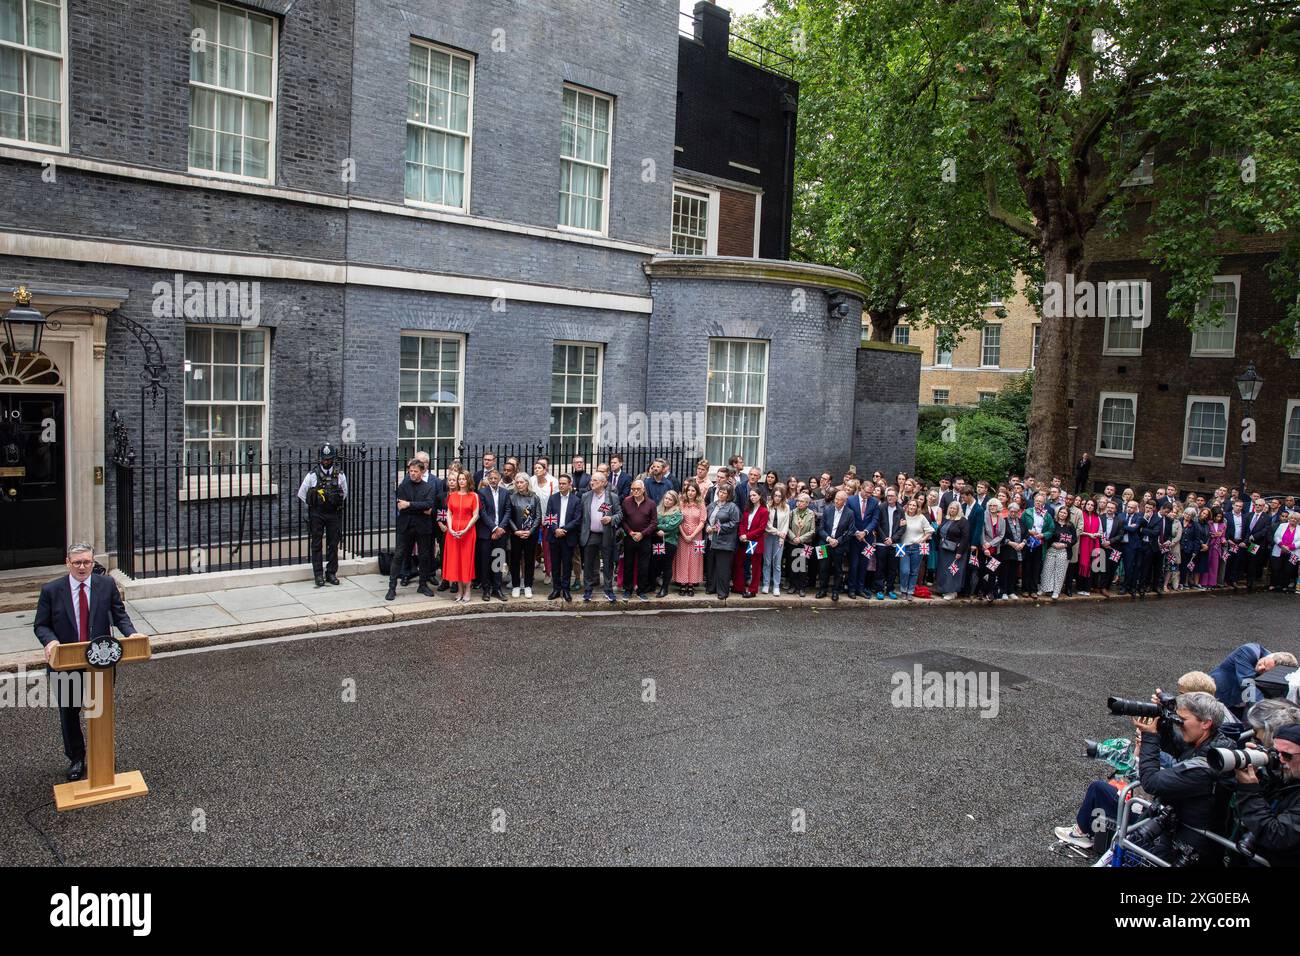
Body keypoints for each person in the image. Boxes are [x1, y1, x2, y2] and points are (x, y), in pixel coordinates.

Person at [33, 543, 145, 783]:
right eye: (77, 563)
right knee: (70, 712)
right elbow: (41, 625)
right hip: (66, 662)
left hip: (101, 661)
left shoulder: (106, 585)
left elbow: (119, 614)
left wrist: (131, 634)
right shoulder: (52, 590)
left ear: (93, 562)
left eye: (87, 562)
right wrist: (51, 642)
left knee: (100, 709)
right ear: (67, 563)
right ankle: (77, 758)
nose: (82, 567)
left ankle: (102, 757)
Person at [1132, 692, 1234, 866]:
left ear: (1205, 723)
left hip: (1190, 849)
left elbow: (1151, 782)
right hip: (1181, 834)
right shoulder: (1212, 744)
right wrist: (1164, 719)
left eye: (1182, 720)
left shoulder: (1207, 766)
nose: (1179, 724)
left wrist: (1149, 736)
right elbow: (1175, 745)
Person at [1233, 722, 1300, 867]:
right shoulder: (1287, 777)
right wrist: (1260, 776)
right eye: (1275, 753)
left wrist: (1249, 790)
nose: (1280, 760)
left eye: (1287, 756)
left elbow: (1276, 834)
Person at [297, 443, 348, 587]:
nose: (326, 462)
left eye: (329, 459)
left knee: (333, 544)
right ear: (320, 459)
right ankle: (318, 574)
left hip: (333, 513)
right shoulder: (312, 475)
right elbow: (302, 494)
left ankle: (331, 572)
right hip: (317, 513)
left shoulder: (340, 475)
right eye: (324, 459)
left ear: (333, 459)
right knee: (317, 544)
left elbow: (344, 493)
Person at [386, 458, 437, 601]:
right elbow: (402, 506)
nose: (412, 473)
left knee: (424, 556)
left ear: (422, 471)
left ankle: (423, 585)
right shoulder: (403, 486)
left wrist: (409, 505)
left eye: (415, 471)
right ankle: (392, 587)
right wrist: (417, 507)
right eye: (411, 471)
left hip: (423, 527)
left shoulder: (429, 487)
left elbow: (428, 505)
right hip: (406, 526)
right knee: (399, 555)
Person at [1210, 643, 1299, 718]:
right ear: (1270, 655)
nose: (1260, 668)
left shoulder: (1277, 676)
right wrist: (1262, 715)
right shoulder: (1247, 651)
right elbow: (1248, 685)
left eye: (1265, 672)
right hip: (1218, 694)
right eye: (1263, 663)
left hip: (1241, 704)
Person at [579, 472, 622, 603]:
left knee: (608, 563)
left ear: (604, 483)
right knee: (588, 564)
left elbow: (620, 514)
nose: (592, 482)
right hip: (590, 534)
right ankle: (588, 590)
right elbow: (581, 516)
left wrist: (611, 518)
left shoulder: (612, 497)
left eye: (595, 480)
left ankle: (608, 590)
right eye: (591, 480)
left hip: (606, 535)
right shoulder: (586, 496)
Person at [441, 471, 479, 603]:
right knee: (455, 560)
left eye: (463, 479)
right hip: (453, 532)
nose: (461, 481)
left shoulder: (474, 496)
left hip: (468, 532)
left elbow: (475, 515)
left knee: (466, 560)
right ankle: (459, 589)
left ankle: (468, 589)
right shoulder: (452, 495)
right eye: (460, 479)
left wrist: (466, 529)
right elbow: (449, 514)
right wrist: (450, 529)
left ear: (468, 481)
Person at [545, 474, 581, 602]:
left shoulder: (576, 500)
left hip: (568, 537)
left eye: (564, 483)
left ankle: (566, 590)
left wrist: (564, 529)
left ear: (570, 485)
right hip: (554, 536)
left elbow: (577, 520)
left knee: (567, 565)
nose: (561, 485)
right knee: (555, 564)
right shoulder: (553, 499)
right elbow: (548, 516)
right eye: (559, 483)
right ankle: (556, 589)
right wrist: (556, 529)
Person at [476, 469, 511, 602]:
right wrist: (494, 528)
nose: (493, 481)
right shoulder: (482, 493)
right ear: (488, 479)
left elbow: (508, 511)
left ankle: (497, 588)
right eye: (491, 478)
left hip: (501, 533)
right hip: (486, 534)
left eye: (496, 478)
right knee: (485, 562)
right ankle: (486, 589)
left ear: (500, 479)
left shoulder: (505, 493)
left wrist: (500, 528)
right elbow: (482, 512)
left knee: (498, 561)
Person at [621, 479, 657, 601]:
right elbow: (623, 520)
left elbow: (654, 522)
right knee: (628, 565)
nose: (635, 491)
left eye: (638, 489)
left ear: (643, 490)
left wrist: (642, 534)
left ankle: (641, 590)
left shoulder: (651, 503)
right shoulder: (626, 502)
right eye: (633, 489)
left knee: (644, 566)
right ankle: (627, 590)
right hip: (630, 538)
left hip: (645, 539)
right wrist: (630, 532)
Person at [506, 474, 541, 598]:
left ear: (527, 483)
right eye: (517, 482)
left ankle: (528, 586)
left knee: (529, 561)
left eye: (521, 482)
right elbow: (508, 516)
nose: (519, 485)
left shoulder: (535, 497)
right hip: (516, 534)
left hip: (530, 535)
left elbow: (538, 516)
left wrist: (530, 531)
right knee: (515, 560)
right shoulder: (512, 497)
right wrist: (516, 530)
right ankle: (516, 585)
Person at [817, 490, 855, 601]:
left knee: (838, 569)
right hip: (824, 544)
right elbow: (820, 528)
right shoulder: (827, 510)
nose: (837, 501)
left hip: (839, 545)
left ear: (845, 501)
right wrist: (828, 539)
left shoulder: (850, 513)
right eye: (836, 499)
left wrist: (837, 541)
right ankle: (822, 590)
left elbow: (850, 531)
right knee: (823, 568)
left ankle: (835, 591)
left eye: (840, 500)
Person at [705, 484, 741, 601]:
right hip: (711, 540)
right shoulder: (712, 505)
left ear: (729, 495)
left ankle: (723, 591)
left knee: (723, 568)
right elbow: (706, 519)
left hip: (725, 542)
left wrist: (716, 528)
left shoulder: (733, 507)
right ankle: (712, 588)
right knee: (711, 566)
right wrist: (707, 526)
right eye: (720, 492)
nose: (721, 494)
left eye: (725, 493)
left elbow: (734, 523)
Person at [847, 480, 880, 600]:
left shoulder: (875, 502)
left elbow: (875, 520)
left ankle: (860, 589)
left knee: (864, 564)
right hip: (854, 539)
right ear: (861, 488)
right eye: (867, 492)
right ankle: (851, 589)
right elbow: (848, 518)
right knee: (854, 564)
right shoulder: (850, 500)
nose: (869, 495)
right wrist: (856, 532)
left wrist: (865, 532)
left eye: (871, 493)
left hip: (868, 540)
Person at [733, 488, 768, 599]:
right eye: (751, 495)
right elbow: (742, 523)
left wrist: (747, 536)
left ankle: (752, 590)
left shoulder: (764, 511)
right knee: (740, 563)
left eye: (754, 495)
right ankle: (739, 587)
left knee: (754, 566)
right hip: (744, 540)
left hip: (754, 542)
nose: (752, 497)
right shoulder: (748, 509)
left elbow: (761, 529)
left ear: (760, 496)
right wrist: (742, 535)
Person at [674, 482, 707, 596]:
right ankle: (683, 583)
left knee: (695, 560)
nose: (690, 493)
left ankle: (691, 584)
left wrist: (693, 535)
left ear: (697, 492)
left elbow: (702, 521)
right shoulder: (681, 503)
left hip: (697, 536)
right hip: (682, 534)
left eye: (693, 490)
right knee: (682, 559)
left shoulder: (701, 503)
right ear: (686, 491)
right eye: (689, 490)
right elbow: (677, 519)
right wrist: (684, 534)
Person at [898, 498, 932, 600]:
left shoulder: (921, 517)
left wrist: (922, 539)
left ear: (917, 508)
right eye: (910, 505)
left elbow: (929, 531)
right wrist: (900, 526)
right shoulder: (902, 516)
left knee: (914, 571)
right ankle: (903, 590)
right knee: (904, 570)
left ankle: (910, 592)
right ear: (907, 506)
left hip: (917, 547)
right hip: (903, 547)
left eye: (914, 505)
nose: (912, 507)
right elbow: (896, 530)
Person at [652, 490, 683, 597]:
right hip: (657, 541)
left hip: (670, 542)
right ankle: (652, 585)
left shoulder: (677, 513)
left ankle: (664, 588)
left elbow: (670, 526)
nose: (667, 501)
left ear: (675, 501)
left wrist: (657, 527)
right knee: (655, 563)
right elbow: (652, 521)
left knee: (666, 565)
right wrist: (657, 529)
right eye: (666, 498)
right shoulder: (658, 509)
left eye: (670, 499)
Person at [875, 487, 904, 600]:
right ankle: (879, 589)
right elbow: (877, 524)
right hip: (882, 544)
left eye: (892, 496)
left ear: (897, 497)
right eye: (888, 495)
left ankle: (890, 589)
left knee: (892, 568)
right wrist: (884, 538)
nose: (890, 497)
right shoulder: (881, 507)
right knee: (880, 567)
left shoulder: (901, 510)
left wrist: (893, 539)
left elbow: (903, 527)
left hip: (895, 544)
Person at [935, 502, 969, 600]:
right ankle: (945, 589)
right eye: (950, 508)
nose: (952, 510)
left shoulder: (963, 521)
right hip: (944, 550)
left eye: (954, 508)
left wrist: (960, 552)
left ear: (958, 510)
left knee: (953, 571)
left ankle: (953, 591)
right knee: (944, 570)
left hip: (955, 551)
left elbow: (965, 538)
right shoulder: (946, 519)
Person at [788, 493, 817, 597]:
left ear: (807, 503)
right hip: (793, 542)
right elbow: (787, 527)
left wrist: (800, 539)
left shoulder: (811, 514)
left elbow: (813, 530)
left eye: (802, 501)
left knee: (803, 566)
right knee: (793, 565)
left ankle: (802, 587)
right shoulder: (792, 512)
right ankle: (793, 586)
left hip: (806, 544)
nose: (799, 503)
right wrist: (793, 538)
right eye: (798, 501)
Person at [763, 485, 790, 596]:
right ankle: (765, 584)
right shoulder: (767, 506)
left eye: (780, 496)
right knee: (767, 561)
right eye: (776, 495)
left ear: (783, 497)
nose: (777, 498)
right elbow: (766, 524)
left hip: (780, 538)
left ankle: (776, 586)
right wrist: (777, 532)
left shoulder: (786, 507)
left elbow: (786, 523)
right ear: (772, 496)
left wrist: (782, 537)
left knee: (777, 563)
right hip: (768, 536)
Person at [1040, 505, 1072, 600]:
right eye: (1061, 512)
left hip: (1063, 550)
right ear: (1058, 513)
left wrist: (1065, 545)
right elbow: (1048, 534)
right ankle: (1044, 588)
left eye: (1065, 513)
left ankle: (1056, 591)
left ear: (1067, 515)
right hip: (1051, 549)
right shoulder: (1053, 523)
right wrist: (1053, 544)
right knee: (1047, 569)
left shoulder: (1070, 525)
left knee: (1060, 572)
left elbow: (1074, 539)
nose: (1062, 514)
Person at [1270, 510, 1300, 593]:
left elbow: (1299, 542)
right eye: (1292, 518)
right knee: (1276, 568)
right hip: (1279, 549)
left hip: (1292, 552)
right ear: (1289, 519)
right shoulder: (1282, 525)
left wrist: (1289, 547)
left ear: (1298, 521)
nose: (1293, 520)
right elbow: (1276, 536)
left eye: (1295, 519)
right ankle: (1274, 584)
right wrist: (1281, 545)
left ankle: (1284, 586)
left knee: (1288, 570)